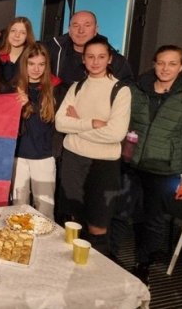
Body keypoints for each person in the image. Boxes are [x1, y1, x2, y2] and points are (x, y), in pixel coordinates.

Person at [124, 45, 182, 284]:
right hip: (131, 163)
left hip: (164, 168)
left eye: (172, 64)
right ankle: (111, 258)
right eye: (161, 62)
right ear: (154, 64)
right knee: (121, 213)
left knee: (154, 220)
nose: (165, 68)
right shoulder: (137, 89)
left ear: (181, 67)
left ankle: (143, 266)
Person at [55, 35, 131, 256]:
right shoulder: (76, 87)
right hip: (73, 160)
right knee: (73, 221)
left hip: (103, 165)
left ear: (109, 59)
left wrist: (77, 123)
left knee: (98, 223)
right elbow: (60, 123)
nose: (95, 61)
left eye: (101, 56)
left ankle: (98, 274)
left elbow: (116, 133)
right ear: (84, 59)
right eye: (90, 57)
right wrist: (92, 123)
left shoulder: (120, 90)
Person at [12, 43, 65, 218]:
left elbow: (49, 120)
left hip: (44, 156)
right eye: (31, 64)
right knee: (18, 208)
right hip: (18, 155)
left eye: (41, 64)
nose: (36, 69)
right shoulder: (13, 87)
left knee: (45, 209)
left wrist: (29, 103)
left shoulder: (56, 88)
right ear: (24, 64)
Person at [43, 10, 133, 86]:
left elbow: (128, 90)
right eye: (76, 26)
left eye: (87, 25)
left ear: (96, 29)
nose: (81, 31)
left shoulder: (115, 60)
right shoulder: (51, 50)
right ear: (69, 30)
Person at [0, 17, 36, 84]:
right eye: (13, 31)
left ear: (27, 36)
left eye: (22, 32)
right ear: (8, 33)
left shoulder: (33, 57)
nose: (17, 35)